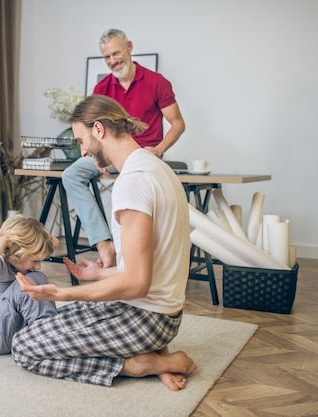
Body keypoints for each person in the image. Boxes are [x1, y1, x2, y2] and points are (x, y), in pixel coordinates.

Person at [12, 95, 196, 391]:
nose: (83, 152)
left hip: (144, 318)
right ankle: (154, 353)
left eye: (81, 141)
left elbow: (137, 283)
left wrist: (63, 293)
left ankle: (138, 364)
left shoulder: (133, 181)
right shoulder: (157, 168)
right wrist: (99, 275)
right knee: (50, 321)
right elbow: (152, 262)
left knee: (23, 346)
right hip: (160, 314)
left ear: (99, 129)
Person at [62, 28, 186, 268]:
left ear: (129, 47)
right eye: (106, 57)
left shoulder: (156, 82)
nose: (112, 61)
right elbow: (91, 132)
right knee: (71, 175)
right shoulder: (102, 88)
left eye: (116, 53)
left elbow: (178, 124)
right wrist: (98, 158)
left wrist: (159, 150)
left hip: (143, 156)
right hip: (109, 154)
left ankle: (139, 256)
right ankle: (103, 244)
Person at [0, 214, 59, 355]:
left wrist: (27, 227)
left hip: (9, 328)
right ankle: (50, 336)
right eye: (34, 261)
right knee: (33, 278)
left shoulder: (19, 261)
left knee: (34, 278)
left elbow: (54, 242)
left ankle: (49, 328)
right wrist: (5, 238)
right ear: (16, 252)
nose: (38, 266)